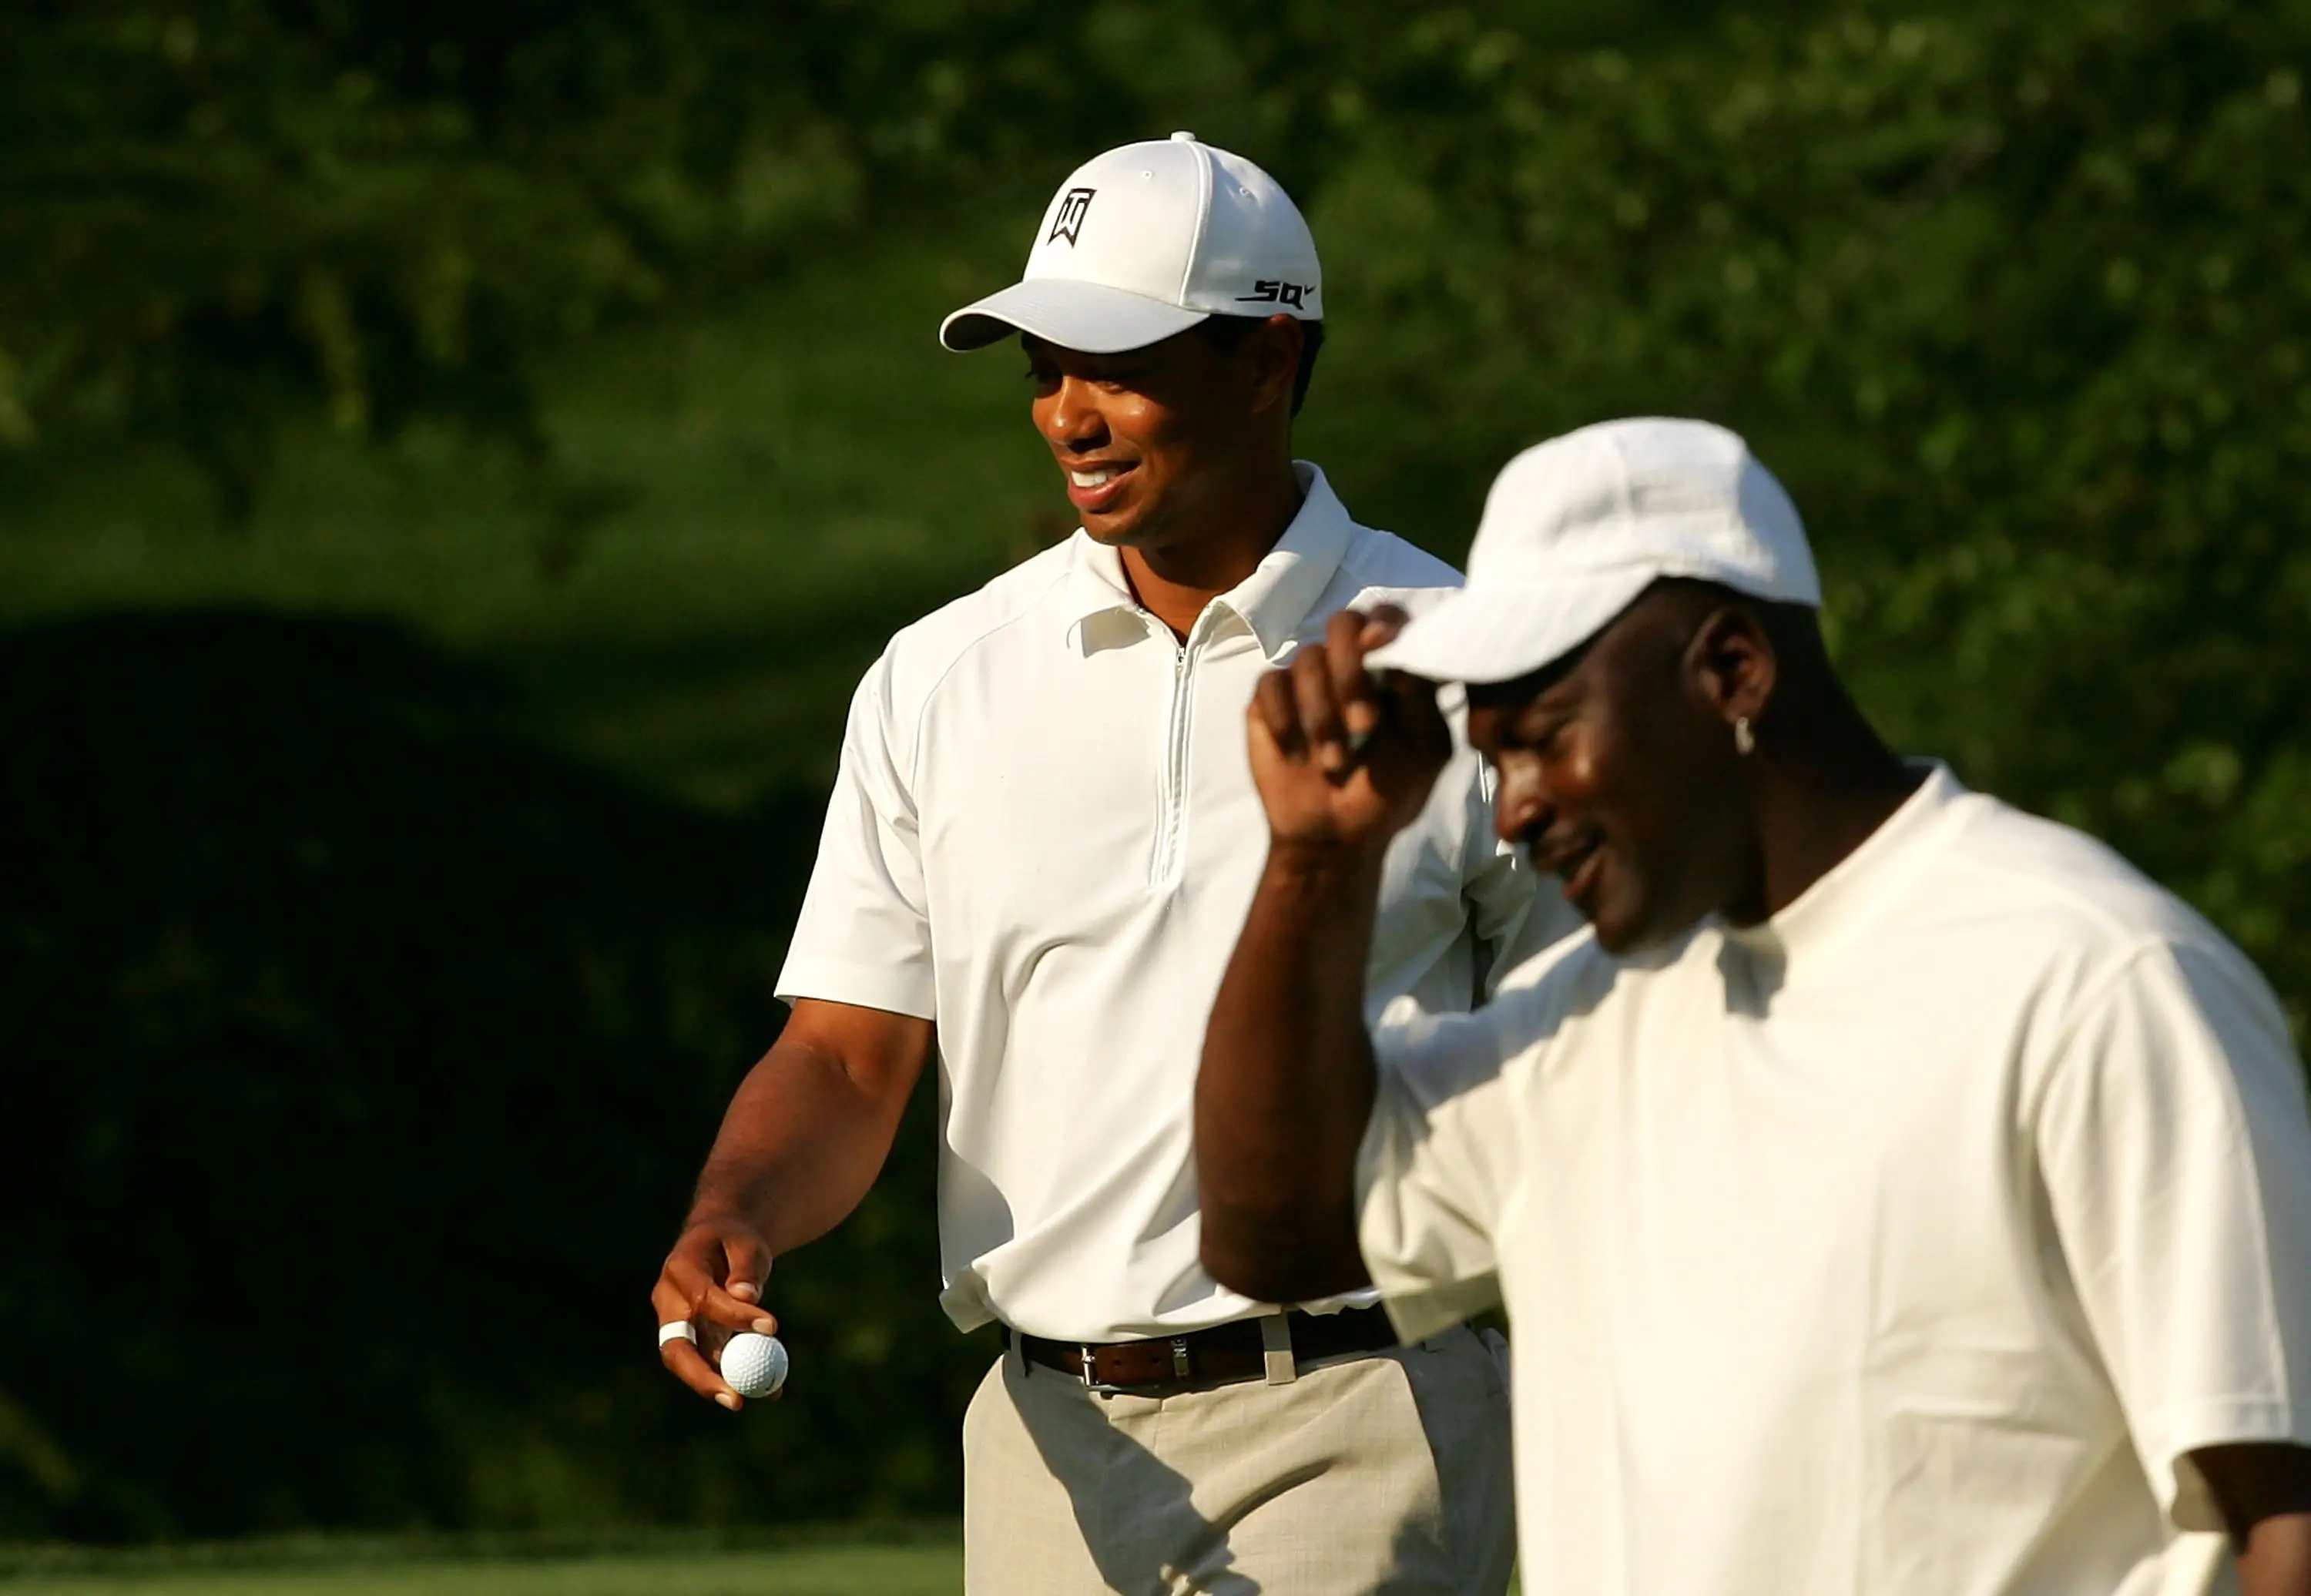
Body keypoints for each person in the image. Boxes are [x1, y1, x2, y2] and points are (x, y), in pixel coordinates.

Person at [650, 133, 1572, 1594]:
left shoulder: (1470, 662)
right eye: (1044, 371)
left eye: (1117, 369)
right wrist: (737, 1212)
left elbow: (1604, 1051)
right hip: (1046, 1444)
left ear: (1268, 362)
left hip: (1361, 1409)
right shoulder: (939, 678)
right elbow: (845, 1051)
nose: (1067, 415)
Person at [1195, 416, 2311, 1595]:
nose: (1512, 809)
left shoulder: (2092, 980)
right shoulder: (1580, 1026)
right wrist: (1316, 863)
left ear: (1733, 670)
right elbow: (1273, 1238)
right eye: (1494, 755)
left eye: (1545, 739)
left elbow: (2284, 1515)